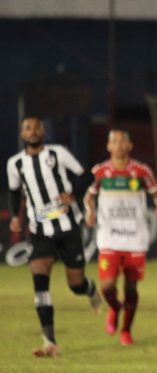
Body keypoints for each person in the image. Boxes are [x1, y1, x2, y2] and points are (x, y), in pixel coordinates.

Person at [6, 116, 102, 357]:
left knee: (75, 285)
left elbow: (86, 176)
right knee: (40, 284)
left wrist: (74, 195)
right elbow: (14, 191)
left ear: (43, 131)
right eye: (28, 128)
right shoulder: (15, 164)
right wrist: (16, 216)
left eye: (37, 127)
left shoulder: (58, 153)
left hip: (68, 227)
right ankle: (50, 342)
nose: (33, 131)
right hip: (39, 232)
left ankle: (90, 289)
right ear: (22, 133)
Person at [83, 129, 157, 346]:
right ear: (108, 147)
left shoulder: (141, 171)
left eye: (122, 142)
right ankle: (114, 308)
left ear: (130, 146)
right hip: (109, 238)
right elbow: (89, 197)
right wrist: (89, 211)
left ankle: (126, 330)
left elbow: (155, 192)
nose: (118, 145)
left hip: (135, 238)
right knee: (107, 287)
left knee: (131, 288)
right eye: (114, 142)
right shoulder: (100, 172)